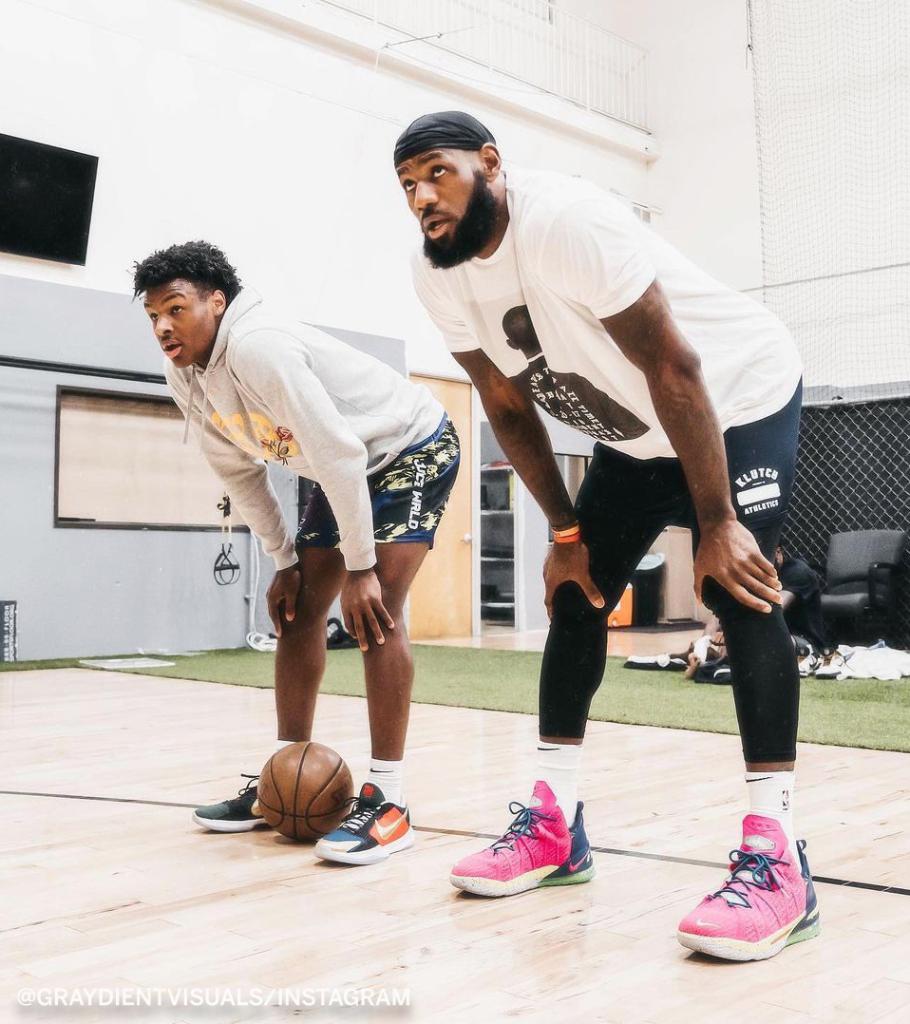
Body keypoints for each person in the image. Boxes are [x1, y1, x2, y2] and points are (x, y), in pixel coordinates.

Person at [395, 111, 818, 960]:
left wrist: (719, 522)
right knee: (575, 597)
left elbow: (676, 367)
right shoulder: (439, 274)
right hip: (636, 434)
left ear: (490, 164)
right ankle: (555, 824)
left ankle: (778, 858)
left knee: (736, 591)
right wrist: (564, 528)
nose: (422, 199)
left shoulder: (563, 223)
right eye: (406, 187)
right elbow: (507, 405)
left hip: (732, 396)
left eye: (437, 174)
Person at [133, 241, 460, 865]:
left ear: (217, 301)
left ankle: (389, 800)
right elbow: (240, 474)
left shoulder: (260, 348)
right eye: (152, 317)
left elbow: (341, 454)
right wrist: (283, 562)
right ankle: (288, 776)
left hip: (407, 447)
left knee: (376, 609)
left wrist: (361, 567)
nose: (163, 327)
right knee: (298, 609)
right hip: (334, 460)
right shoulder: (186, 375)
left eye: (175, 309)